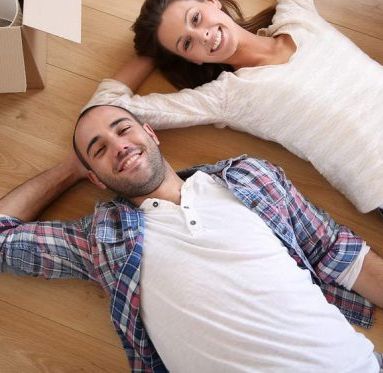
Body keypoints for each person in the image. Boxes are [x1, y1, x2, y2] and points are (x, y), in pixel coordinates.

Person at [0, 103, 382, 372]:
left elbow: (344, 256)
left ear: (150, 132)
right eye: (98, 150)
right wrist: (70, 169)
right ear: (96, 178)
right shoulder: (100, 240)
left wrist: (86, 156)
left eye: (123, 129)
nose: (118, 146)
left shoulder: (250, 176)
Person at [84, 0, 383, 215]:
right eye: (186, 44)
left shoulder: (298, 16)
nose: (202, 35)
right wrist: (156, 51)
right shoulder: (228, 97)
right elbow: (104, 107)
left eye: (196, 18)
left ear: (213, 4)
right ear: (193, 60)